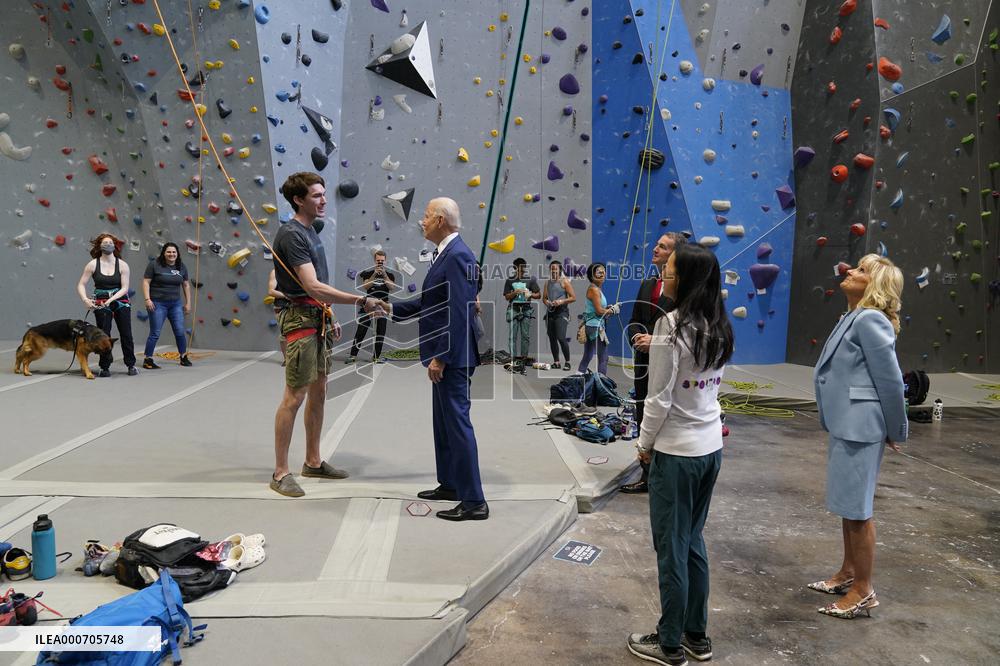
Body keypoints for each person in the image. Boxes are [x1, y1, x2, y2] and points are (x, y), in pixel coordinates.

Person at [627, 243, 734, 666]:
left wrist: (643, 445)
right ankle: (696, 635)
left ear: (685, 279)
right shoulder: (718, 324)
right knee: (692, 542)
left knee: (672, 547)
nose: (663, 276)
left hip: (677, 455)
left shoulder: (670, 328)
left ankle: (669, 642)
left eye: (669, 271)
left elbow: (658, 401)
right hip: (710, 449)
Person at [269, 172, 385, 498]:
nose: (323, 200)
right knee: (294, 397)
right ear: (298, 199)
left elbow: (317, 289)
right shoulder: (292, 235)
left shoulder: (310, 233)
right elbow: (312, 286)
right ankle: (280, 472)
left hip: (317, 318)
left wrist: (329, 312)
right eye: (316, 195)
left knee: (319, 394)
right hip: (300, 320)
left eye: (323, 194)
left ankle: (313, 461)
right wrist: (360, 299)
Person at [809, 254, 907, 619]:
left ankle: (864, 590)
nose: (849, 271)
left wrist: (897, 429)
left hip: (860, 426)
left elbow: (891, 380)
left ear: (875, 286)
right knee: (848, 506)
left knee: (858, 511)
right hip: (845, 423)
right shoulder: (852, 316)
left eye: (861, 270)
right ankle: (848, 572)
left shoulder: (870, 320)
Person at [387, 197, 487, 522]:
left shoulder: (457, 255)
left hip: (452, 356)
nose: (422, 221)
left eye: (427, 216)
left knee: (457, 424)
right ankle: (451, 484)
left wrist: (442, 357)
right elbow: (431, 302)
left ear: (441, 220)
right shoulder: (445, 253)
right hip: (446, 353)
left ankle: (474, 501)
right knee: (443, 425)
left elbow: (458, 311)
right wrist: (388, 308)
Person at [622, 233, 685, 493]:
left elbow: (684, 331)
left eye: (663, 246)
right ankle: (647, 476)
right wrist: (636, 339)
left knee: (664, 415)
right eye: (657, 244)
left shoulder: (683, 290)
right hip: (642, 361)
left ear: (675, 255)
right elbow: (636, 316)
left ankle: (665, 478)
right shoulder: (648, 283)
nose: (655, 249)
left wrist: (655, 342)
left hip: (668, 363)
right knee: (642, 412)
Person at [76, 233, 137, 377]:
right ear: (99, 246)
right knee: (103, 335)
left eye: (110, 242)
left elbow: (124, 288)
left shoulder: (122, 265)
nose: (107, 244)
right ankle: (105, 366)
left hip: (120, 301)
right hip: (101, 302)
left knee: (126, 333)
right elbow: (81, 284)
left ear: (115, 245)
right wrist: (86, 299)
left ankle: (131, 364)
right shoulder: (93, 264)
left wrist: (111, 300)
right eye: (104, 242)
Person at [141, 242, 191, 369]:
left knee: (180, 331)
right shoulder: (154, 265)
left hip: (175, 304)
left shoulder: (182, 266)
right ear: (164, 253)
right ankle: (148, 359)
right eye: (168, 252)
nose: (171, 254)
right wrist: (147, 299)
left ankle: (183, 356)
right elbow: (146, 282)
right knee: (155, 332)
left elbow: (185, 285)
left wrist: (188, 302)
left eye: (174, 252)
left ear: (177, 254)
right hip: (157, 303)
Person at [347, 249, 398, 364]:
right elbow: (366, 286)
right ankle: (352, 355)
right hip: (369, 303)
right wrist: (375, 273)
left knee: (381, 331)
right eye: (378, 260)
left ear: (385, 261)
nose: (380, 262)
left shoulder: (390, 275)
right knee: (361, 330)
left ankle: (376, 357)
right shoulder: (368, 273)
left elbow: (391, 287)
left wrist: (384, 275)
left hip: (383, 304)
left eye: (382, 261)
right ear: (374, 261)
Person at [578, 263, 619, 376]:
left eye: (603, 272)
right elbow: (599, 312)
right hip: (595, 327)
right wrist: (613, 311)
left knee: (588, 355)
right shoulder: (594, 290)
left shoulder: (596, 289)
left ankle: (577, 379)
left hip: (592, 326)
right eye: (599, 272)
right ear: (592, 275)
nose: (602, 274)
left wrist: (607, 308)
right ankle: (602, 385)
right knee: (603, 358)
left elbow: (599, 309)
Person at [502, 258, 540, 369]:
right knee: (512, 336)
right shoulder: (510, 280)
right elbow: (506, 297)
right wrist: (514, 292)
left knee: (525, 336)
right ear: (515, 267)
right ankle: (513, 358)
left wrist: (530, 295)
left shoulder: (530, 280)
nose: (521, 268)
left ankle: (524, 358)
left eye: (523, 266)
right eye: (519, 266)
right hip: (513, 309)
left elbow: (539, 295)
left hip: (526, 309)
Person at [541, 260, 576, 370]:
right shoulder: (547, 282)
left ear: (560, 270)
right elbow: (544, 298)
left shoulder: (564, 282)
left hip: (562, 312)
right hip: (551, 312)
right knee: (552, 338)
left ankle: (567, 362)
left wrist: (560, 302)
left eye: (556, 269)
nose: (554, 271)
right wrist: (548, 303)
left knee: (561, 337)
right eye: (552, 269)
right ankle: (556, 362)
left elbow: (573, 297)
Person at [267, 268, 289, 364]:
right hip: (282, 306)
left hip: (297, 305)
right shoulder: (275, 271)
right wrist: (287, 296)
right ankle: (287, 359)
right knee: (285, 334)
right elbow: (271, 291)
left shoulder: (298, 268)